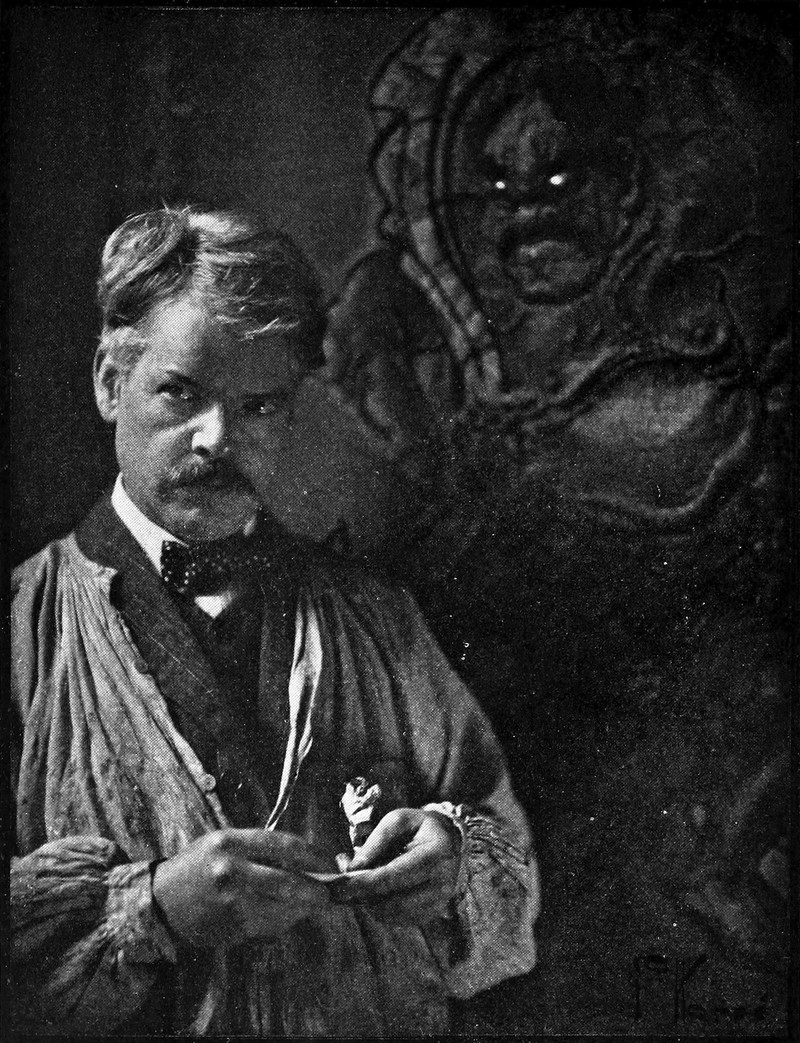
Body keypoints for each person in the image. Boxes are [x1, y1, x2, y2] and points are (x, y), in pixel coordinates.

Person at [10, 205, 539, 1036]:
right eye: (181, 392)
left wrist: (450, 855)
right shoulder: (22, 630)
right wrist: (153, 907)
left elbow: (502, 848)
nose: (218, 437)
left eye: (259, 405)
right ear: (111, 383)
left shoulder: (379, 621)